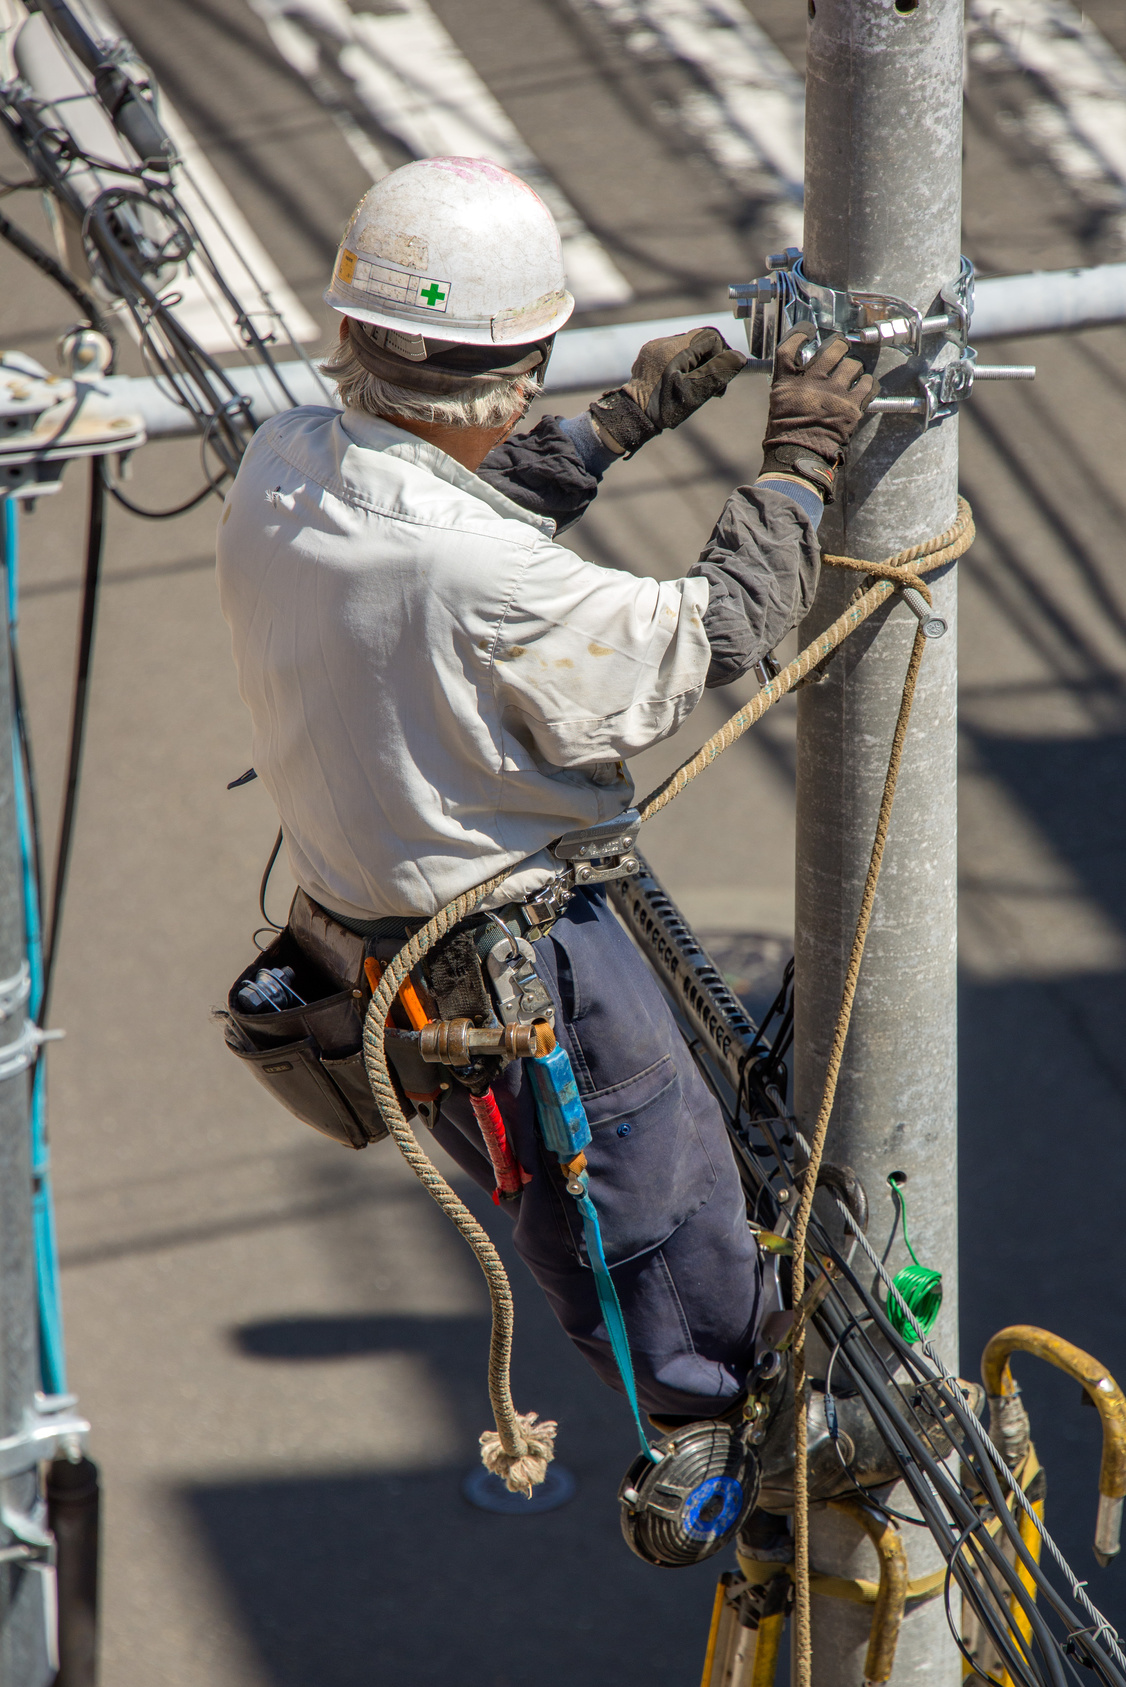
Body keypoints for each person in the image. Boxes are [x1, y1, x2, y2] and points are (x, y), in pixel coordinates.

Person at [217, 155, 877, 1424]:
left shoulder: (284, 461)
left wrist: (622, 426)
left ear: (356, 334)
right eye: (533, 385)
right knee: (666, 1259)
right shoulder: (479, 575)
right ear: (512, 374)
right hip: (533, 980)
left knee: (575, 1216)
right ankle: (746, 1446)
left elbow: (441, 510)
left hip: (384, 976)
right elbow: (720, 628)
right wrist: (797, 462)